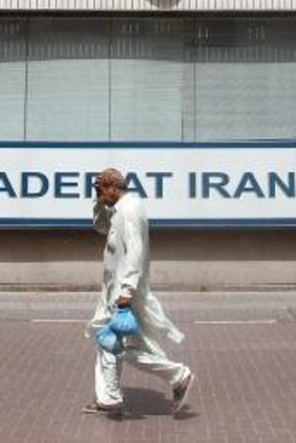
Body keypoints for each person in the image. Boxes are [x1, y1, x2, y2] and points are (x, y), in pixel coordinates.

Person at [83, 168, 194, 416]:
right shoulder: (120, 208)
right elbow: (101, 227)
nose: (101, 196)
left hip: (123, 290)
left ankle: (178, 375)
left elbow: (135, 251)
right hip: (115, 289)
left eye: (102, 191)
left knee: (118, 345)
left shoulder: (130, 210)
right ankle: (108, 398)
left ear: (113, 187)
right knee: (108, 342)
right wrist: (98, 202)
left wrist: (126, 290)